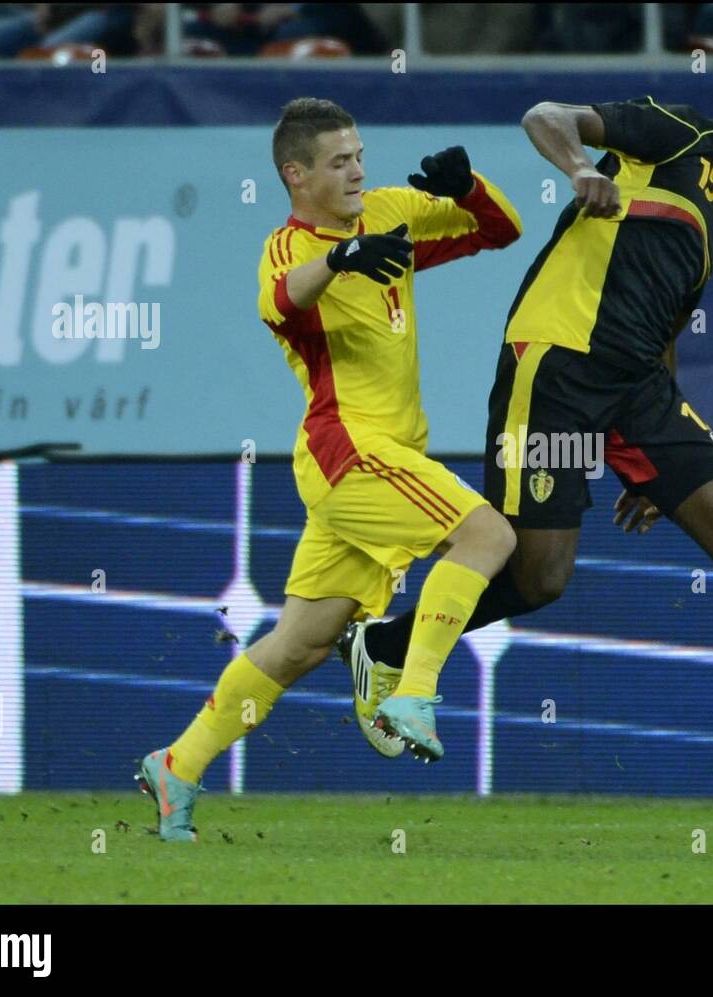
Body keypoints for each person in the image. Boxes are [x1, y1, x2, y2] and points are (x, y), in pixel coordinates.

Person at [341, 55, 713, 799]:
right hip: (557, 362)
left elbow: (670, 316)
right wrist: (582, 166)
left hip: (639, 386)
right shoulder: (674, 132)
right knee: (540, 574)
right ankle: (384, 643)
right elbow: (544, 114)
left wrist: (656, 462)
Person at [136, 97, 523, 841]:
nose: (357, 170)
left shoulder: (389, 211)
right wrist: (340, 258)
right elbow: (280, 300)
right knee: (487, 537)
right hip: (350, 451)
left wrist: (468, 185)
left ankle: (176, 765)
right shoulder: (288, 245)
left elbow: (499, 230)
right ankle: (412, 691)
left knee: (300, 643)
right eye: (339, 161)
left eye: (359, 155)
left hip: (384, 456)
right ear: (296, 173)